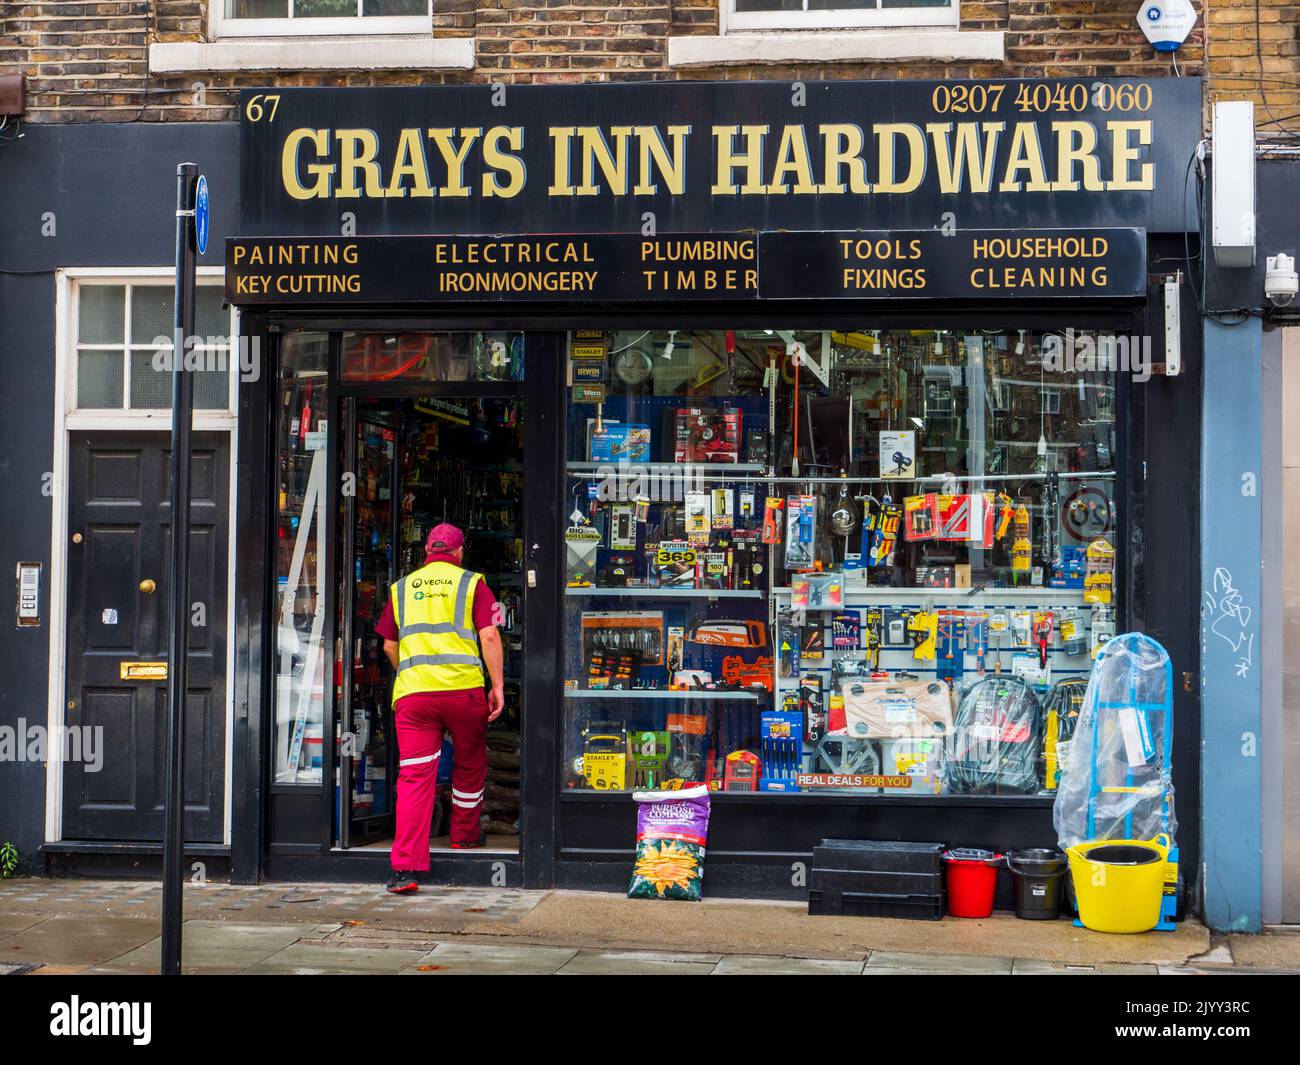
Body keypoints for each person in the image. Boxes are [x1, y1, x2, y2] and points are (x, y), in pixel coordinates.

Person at [374, 523, 504, 894]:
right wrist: (496, 686)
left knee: (415, 776)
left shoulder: (401, 588)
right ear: (459, 552)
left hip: (415, 697)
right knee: (469, 760)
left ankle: (405, 869)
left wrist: (412, 675)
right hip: (463, 691)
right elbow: (490, 634)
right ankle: (464, 836)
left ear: (427, 552)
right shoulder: (472, 583)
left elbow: (387, 645)